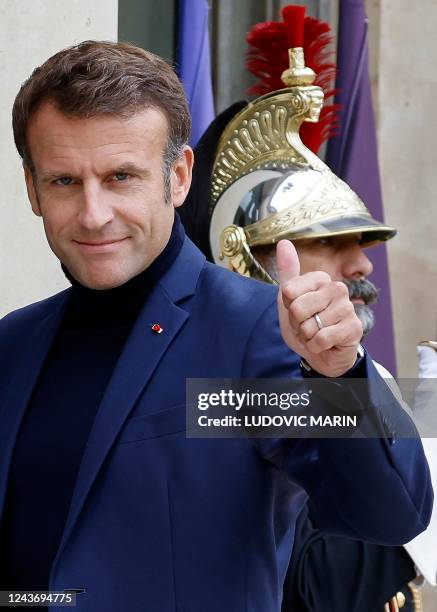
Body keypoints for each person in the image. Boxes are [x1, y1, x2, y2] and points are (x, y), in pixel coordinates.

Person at [0, 41, 432, 612]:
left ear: (177, 178)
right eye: (64, 182)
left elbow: (389, 513)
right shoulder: (14, 344)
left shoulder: (256, 335)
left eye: (122, 176)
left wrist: (340, 377)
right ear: (31, 189)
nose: (94, 213)